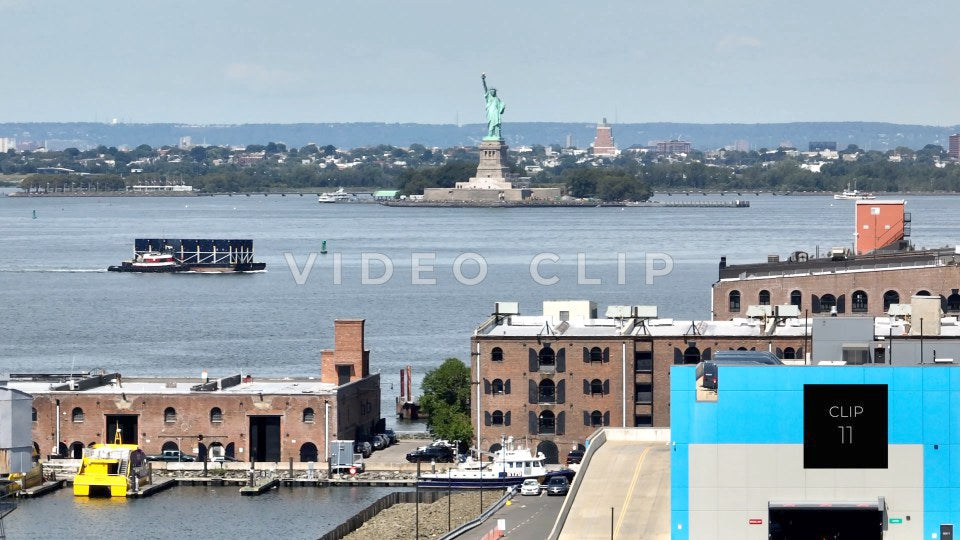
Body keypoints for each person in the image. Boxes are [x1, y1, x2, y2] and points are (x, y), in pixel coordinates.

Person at [481, 73, 505, 140]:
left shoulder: (497, 99)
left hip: (496, 113)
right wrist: (483, 80)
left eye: (494, 92)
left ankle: (497, 135)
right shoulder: (488, 97)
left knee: (497, 124)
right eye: (491, 91)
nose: (492, 93)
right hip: (490, 112)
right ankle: (490, 134)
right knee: (491, 123)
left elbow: (502, 104)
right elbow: (485, 88)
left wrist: (502, 106)